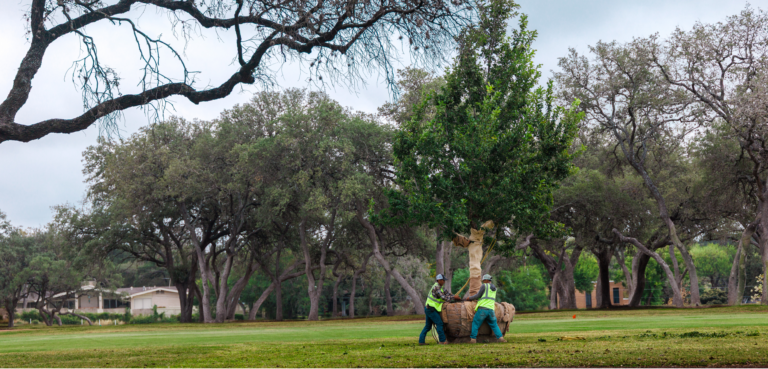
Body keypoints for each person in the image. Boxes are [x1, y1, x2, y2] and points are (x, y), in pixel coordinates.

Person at [463, 274, 506, 343]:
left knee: (476, 323)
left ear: (486, 280)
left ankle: (473, 339)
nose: (483, 281)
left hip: (482, 309)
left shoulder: (484, 286)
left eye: (483, 280)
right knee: (494, 325)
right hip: (491, 309)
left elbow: (478, 295)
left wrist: (469, 298)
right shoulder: (494, 288)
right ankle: (501, 338)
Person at [419, 274, 457, 345]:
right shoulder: (436, 287)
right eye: (443, 280)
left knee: (427, 326)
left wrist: (454, 296)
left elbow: (448, 294)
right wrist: (453, 298)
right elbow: (443, 297)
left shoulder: (441, 288)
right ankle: (442, 341)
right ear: (439, 280)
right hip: (431, 309)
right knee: (439, 323)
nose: (444, 282)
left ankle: (421, 341)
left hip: (429, 308)